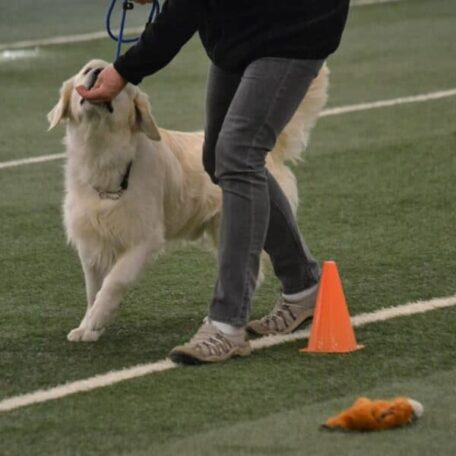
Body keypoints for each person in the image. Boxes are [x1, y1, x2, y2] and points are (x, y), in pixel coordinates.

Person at [77, 0, 350, 364]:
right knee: (218, 158)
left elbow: (183, 11)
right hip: (240, 27)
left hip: (296, 24)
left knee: (237, 155)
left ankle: (226, 324)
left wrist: (125, 70)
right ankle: (304, 285)